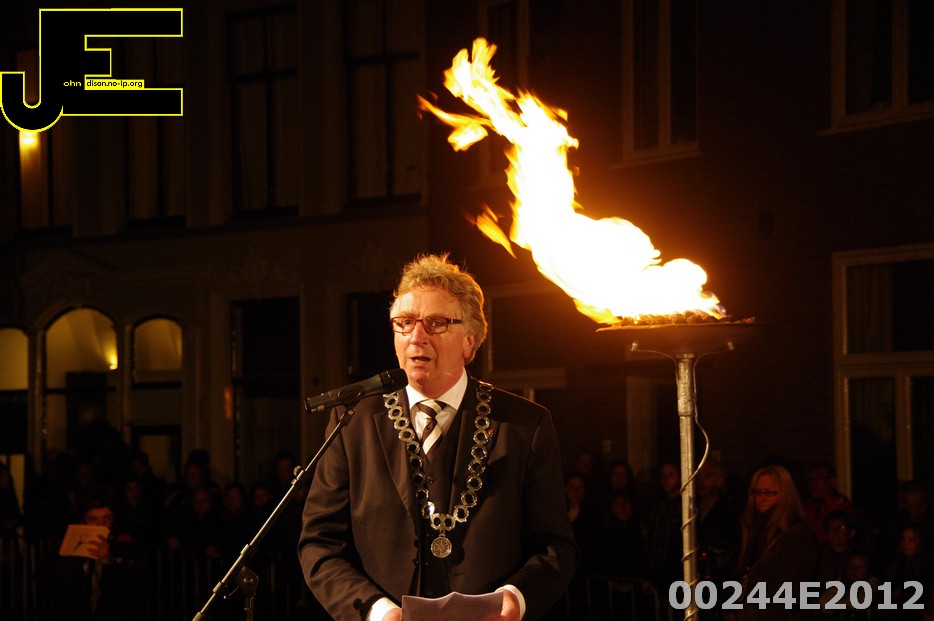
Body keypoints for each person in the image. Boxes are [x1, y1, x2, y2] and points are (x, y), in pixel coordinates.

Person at [299, 253, 577, 621]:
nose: (417, 337)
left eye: (436, 323)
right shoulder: (353, 421)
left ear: (469, 342)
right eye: (405, 322)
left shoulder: (526, 425)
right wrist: (377, 612)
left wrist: (516, 598)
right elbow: (319, 545)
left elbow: (554, 547)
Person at [731, 465, 817, 621]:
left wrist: (743, 614)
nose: (761, 498)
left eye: (769, 493)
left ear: (785, 494)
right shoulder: (755, 531)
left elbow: (787, 594)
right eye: (757, 492)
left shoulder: (796, 536)